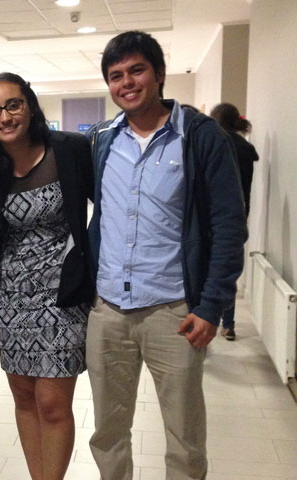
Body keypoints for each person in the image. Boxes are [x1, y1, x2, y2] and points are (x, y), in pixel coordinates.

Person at [85, 31, 247, 479]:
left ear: (158, 73)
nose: (126, 83)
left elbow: (229, 226)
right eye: (116, 75)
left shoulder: (200, 137)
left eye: (136, 70)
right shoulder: (102, 140)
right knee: (108, 431)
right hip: (109, 311)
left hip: (174, 312)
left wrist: (211, 306)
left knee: (184, 436)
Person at [0, 72, 95, 480]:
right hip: (10, 299)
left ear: (29, 105)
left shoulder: (69, 150)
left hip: (63, 296)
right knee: (24, 399)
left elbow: (107, 208)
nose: (5, 117)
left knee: (53, 405)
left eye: (13, 105)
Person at [210, 102, 259, 341]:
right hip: (239, 216)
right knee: (227, 270)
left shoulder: (215, 144)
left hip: (213, 216)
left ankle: (205, 318)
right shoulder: (245, 148)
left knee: (206, 270)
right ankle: (228, 325)